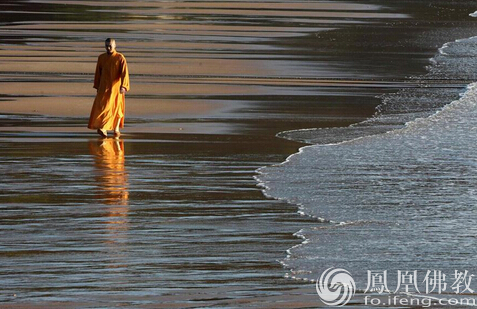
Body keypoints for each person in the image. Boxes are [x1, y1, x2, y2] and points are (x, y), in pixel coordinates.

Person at [88, 38, 130, 138]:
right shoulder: (101, 57)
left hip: (116, 88)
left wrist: (124, 86)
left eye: (110, 45)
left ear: (115, 46)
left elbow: (125, 73)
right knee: (104, 107)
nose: (108, 47)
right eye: (106, 45)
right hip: (103, 87)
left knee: (117, 108)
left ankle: (115, 129)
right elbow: (98, 72)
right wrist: (97, 85)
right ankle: (103, 127)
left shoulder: (120, 58)